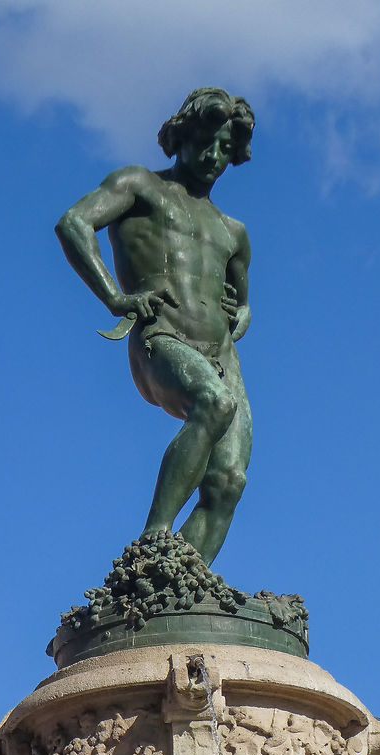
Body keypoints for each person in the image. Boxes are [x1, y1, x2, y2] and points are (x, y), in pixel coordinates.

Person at [55, 87, 254, 565]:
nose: (213, 156)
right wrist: (113, 296)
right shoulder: (140, 185)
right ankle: (154, 540)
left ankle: (178, 582)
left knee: (228, 480)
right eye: (206, 140)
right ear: (183, 134)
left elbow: (242, 299)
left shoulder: (233, 231)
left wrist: (244, 313)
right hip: (160, 336)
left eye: (225, 148)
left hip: (222, 354)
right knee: (212, 401)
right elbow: (74, 223)